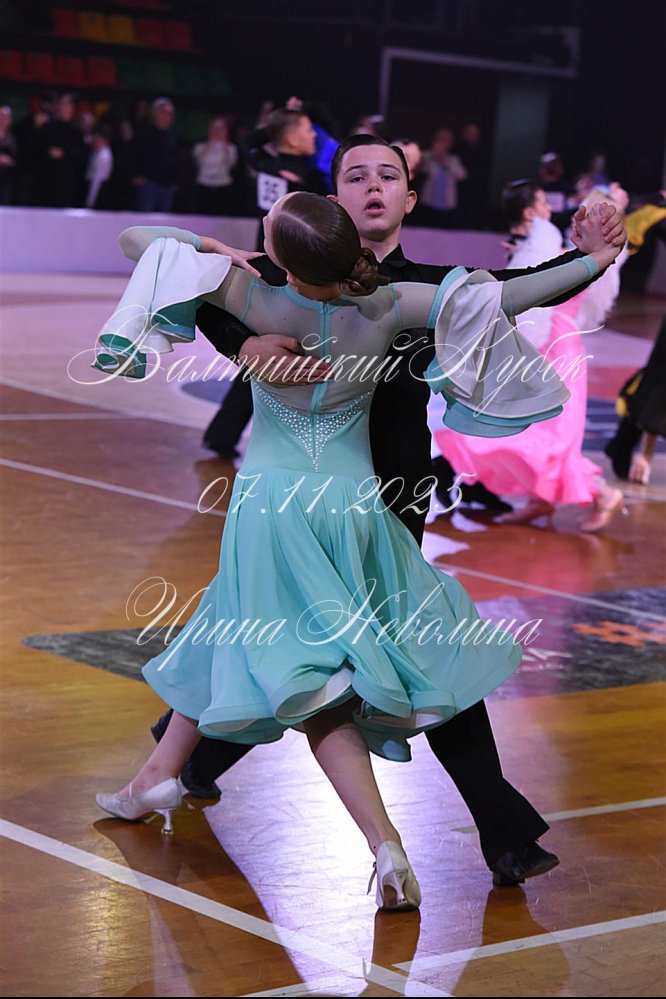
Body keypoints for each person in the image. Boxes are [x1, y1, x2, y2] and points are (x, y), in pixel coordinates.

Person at [94, 191, 622, 909]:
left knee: (309, 682)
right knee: (232, 624)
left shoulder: (251, 295)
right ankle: (153, 778)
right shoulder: (391, 303)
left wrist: (214, 250)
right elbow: (509, 294)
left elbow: (137, 239)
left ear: (280, 257)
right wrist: (595, 257)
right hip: (356, 509)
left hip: (273, 508)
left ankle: (384, 843)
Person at [437, 181, 628, 531]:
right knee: (538, 430)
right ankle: (541, 500)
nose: (555, 212)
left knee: (543, 436)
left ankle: (602, 493)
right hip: (553, 344)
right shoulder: (566, 253)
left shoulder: (577, 257)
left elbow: (542, 286)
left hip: (555, 350)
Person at [132, 97, 180, 213]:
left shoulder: (172, 136)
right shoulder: (145, 133)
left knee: (163, 220)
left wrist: (174, 181)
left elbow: (175, 160)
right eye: (164, 112)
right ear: (156, 114)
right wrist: (135, 175)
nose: (168, 116)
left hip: (167, 186)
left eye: (170, 114)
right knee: (145, 218)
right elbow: (134, 155)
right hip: (149, 184)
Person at [193, 117, 238, 217]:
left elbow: (231, 163)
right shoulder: (200, 147)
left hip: (223, 185)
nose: (217, 131)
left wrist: (224, 142)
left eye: (220, 128)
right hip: (204, 185)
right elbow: (199, 161)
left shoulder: (231, 148)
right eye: (214, 128)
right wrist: (210, 141)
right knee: (203, 215)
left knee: (222, 216)